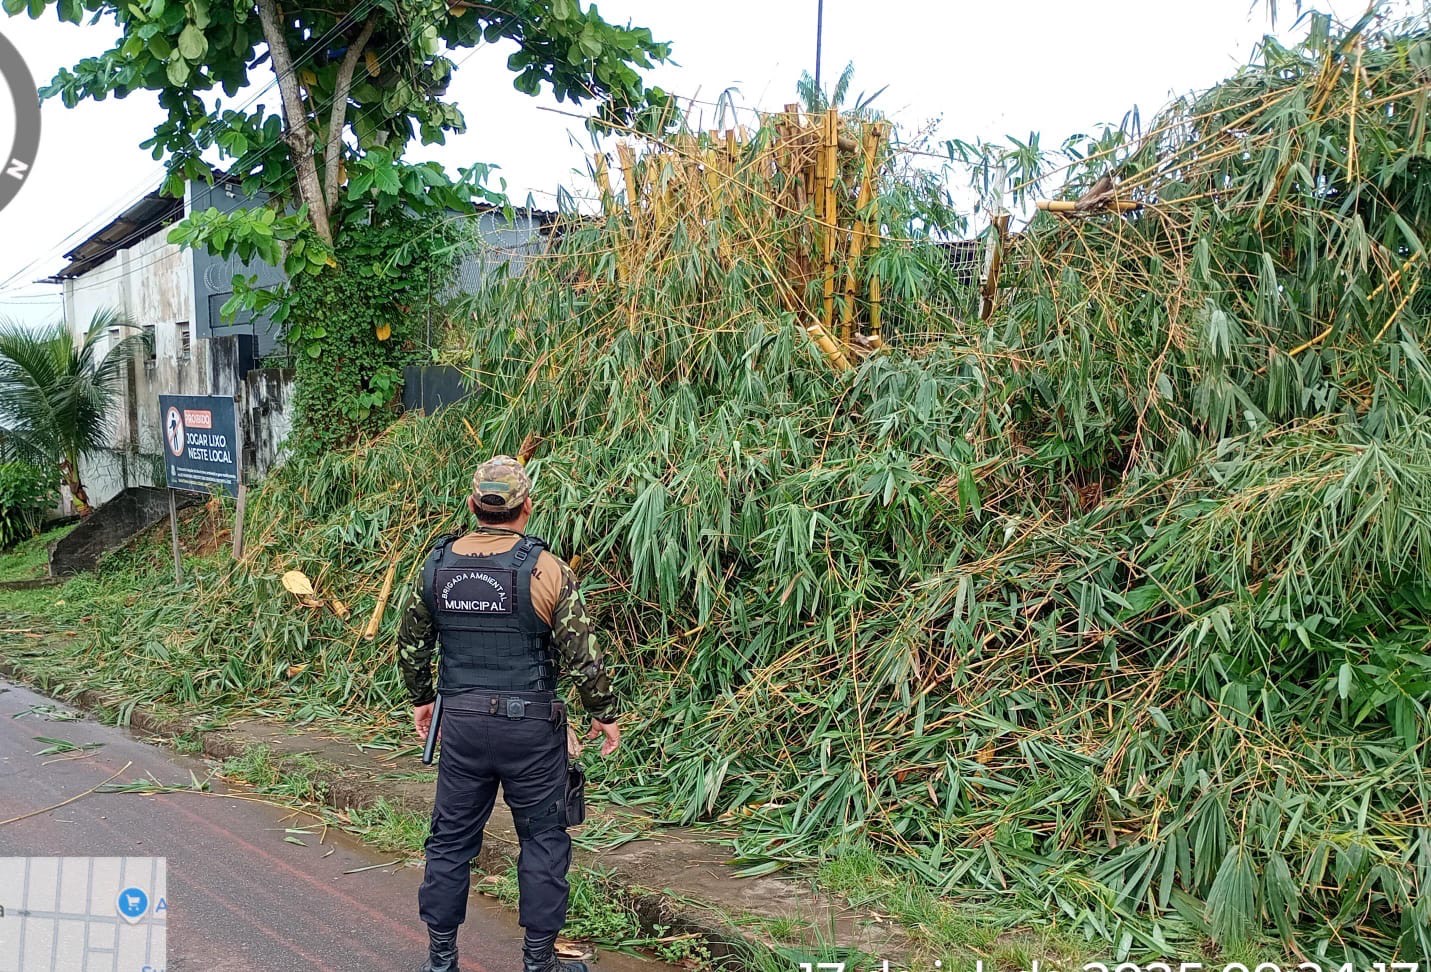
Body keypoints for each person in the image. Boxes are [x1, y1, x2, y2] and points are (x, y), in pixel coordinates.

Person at [397, 455, 621, 972]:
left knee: (450, 841)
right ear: (527, 509)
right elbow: (582, 653)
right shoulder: (546, 569)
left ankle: (441, 961)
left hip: (462, 725)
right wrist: (604, 712)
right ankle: (539, 963)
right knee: (543, 839)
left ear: (475, 505)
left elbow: (411, 643)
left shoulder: (436, 565)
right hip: (531, 729)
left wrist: (422, 700)